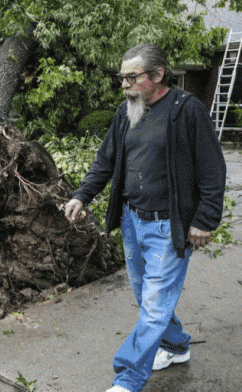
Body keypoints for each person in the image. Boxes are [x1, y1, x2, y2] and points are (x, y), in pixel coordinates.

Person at [62, 44, 226, 392]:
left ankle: (128, 378)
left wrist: (206, 219)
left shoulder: (186, 110)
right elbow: (105, 160)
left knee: (153, 305)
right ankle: (176, 345)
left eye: (132, 77)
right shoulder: (128, 112)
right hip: (133, 222)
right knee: (146, 296)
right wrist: (82, 194)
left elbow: (212, 169)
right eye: (122, 77)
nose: (125, 84)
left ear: (157, 76)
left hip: (169, 225)